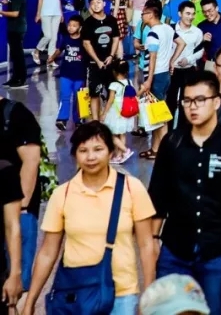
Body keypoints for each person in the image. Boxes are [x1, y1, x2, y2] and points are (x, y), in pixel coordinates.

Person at [149, 72, 221, 315]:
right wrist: (153, 241)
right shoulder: (172, 143)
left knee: (212, 310)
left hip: (217, 250)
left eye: (199, 100)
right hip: (175, 248)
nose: (192, 107)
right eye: (187, 101)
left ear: (216, 102)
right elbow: (158, 195)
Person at [24, 121, 155, 315]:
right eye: (83, 150)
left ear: (111, 152)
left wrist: (150, 295)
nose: (91, 157)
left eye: (98, 149)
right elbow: (47, 252)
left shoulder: (131, 188)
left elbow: (146, 245)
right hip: (75, 295)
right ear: (75, 155)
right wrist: (30, 301)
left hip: (122, 295)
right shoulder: (63, 194)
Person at [139, 0, 175, 156]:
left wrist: (148, 80)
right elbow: (180, 43)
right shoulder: (167, 29)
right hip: (165, 74)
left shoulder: (153, 34)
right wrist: (171, 61)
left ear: (151, 14)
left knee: (159, 115)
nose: (141, 16)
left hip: (156, 76)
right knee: (155, 113)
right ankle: (155, 149)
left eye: (143, 13)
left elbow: (152, 58)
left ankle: (164, 151)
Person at [167, 1, 204, 120]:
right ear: (180, 14)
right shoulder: (170, 30)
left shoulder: (197, 32)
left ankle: (184, 131)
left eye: (193, 14)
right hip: (172, 71)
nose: (191, 17)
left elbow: (200, 51)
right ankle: (169, 131)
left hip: (189, 70)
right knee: (170, 101)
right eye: (187, 13)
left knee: (187, 101)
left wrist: (188, 59)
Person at [51, 15, 88, 130]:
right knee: (65, 96)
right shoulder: (65, 38)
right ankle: (62, 119)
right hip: (66, 74)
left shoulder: (84, 41)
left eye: (74, 26)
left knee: (80, 97)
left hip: (80, 74)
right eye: (69, 25)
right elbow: (59, 50)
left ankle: (79, 120)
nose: (70, 28)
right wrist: (52, 57)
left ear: (80, 28)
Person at [102, 60, 136, 163]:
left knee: (111, 135)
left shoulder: (114, 84)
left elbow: (110, 100)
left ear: (114, 71)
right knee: (121, 134)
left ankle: (125, 151)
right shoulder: (129, 82)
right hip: (126, 112)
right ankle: (118, 156)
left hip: (116, 113)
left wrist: (104, 113)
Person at [31, 0, 64, 67]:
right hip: (45, 13)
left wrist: (61, 13)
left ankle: (50, 59)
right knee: (48, 35)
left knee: (54, 38)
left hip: (56, 13)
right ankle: (36, 51)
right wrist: (38, 13)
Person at [0, 0, 29, 88]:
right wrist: (8, 3)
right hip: (14, 27)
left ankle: (21, 79)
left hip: (17, 28)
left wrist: (1, 12)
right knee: (15, 54)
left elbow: (15, 14)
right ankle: (15, 78)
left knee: (18, 55)